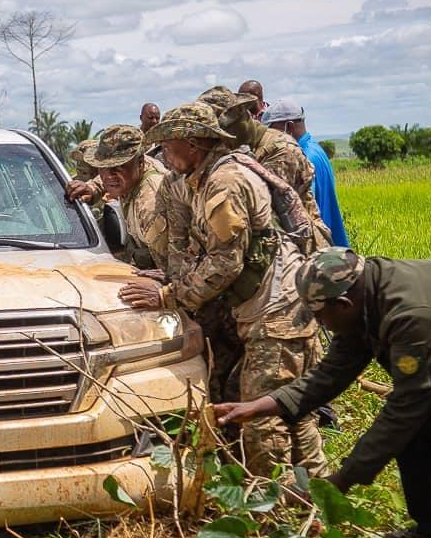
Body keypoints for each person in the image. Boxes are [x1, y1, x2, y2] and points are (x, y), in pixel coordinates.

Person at [118, 103, 328, 479]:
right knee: (293, 412)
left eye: (169, 144)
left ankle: (274, 501)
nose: (163, 153)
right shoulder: (205, 178)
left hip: (276, 314)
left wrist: (167, 296)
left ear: (193, 144)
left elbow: (224, 263)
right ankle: (315, 493)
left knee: (263, 420)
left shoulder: (224, 183)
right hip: (274, 307)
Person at [213, 248, 431, 538]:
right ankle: (430, 531)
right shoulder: (365, 296)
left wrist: (345, 478)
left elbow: (407, 409)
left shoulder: (409, 317)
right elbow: (331, 373)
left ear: (342, 305)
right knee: (415, 438)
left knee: (417, 428)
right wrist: (259, 406)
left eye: (319, 316)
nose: (320, 325)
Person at [218, 90, 331, 252]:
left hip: (300, 247)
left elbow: (268, 205)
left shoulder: (281, 149)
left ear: (242, 124)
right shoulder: (251, 147)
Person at [66, 125, 169, 271]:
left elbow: (173, 267)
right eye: (102, 167)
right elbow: (108, 175)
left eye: (118, 166)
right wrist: (93, 188)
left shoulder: (150, 203)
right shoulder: (132, 170)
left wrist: (166, 280)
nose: (109, 176)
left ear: (140, 163)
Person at [262, 99, 349, 247]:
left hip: (320, 244)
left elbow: (302, 207)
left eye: (273, 132)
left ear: (289, 127)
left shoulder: (303, 157)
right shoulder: (315, 149)